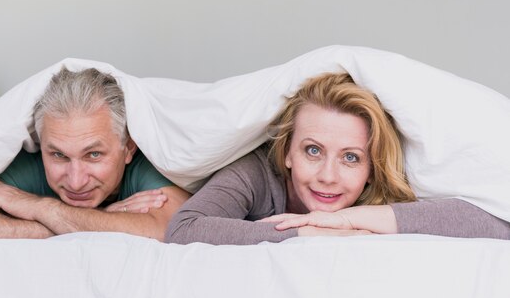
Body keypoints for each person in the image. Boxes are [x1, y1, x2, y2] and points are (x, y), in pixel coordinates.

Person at [165, 72, 510, 244]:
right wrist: (311, 234)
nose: (328, 176)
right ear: (287, 152)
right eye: (312, 151)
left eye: (350, 158)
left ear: (373, 168)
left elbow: (499, 223)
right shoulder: (256, 173)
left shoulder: (378, 193)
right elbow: (184, 228)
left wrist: (351, 220)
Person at [0, 67, 190, 241]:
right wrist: (64, 225)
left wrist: (40, 208)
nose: (75, 181)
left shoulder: (146, 164)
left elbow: (169, 228)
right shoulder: (30, 164)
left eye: (94, 155)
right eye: (58, 155)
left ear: (128, 148)